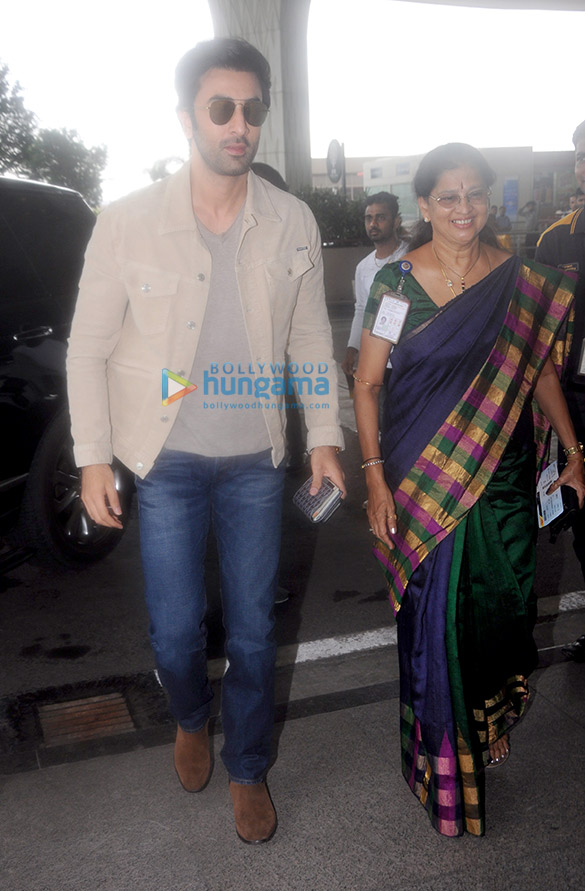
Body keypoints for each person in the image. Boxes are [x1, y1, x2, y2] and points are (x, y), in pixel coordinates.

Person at [66, 37, 345, 845]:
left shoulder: (288, 217)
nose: (239, 125)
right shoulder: (127, 222)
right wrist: (91, 456)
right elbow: (87, 347)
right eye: (221, 108)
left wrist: (323, 436)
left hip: (257, 457)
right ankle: (190, 714)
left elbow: (306, 341)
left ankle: (249, 765)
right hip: (170, 459)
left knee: (255, 629)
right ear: (186, 116)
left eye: (252, 109)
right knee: (176, 626)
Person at [353, 142, 585, 837]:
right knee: (436, 619)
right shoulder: (395, 286)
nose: (464, 207)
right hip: (423, 478)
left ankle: (482, 714)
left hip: (504, 476)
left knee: (501, 608)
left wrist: (574, 452)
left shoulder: (522, 282)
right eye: (447, 196)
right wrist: (372, 479)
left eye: (474, 193)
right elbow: (366, 382)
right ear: (423, 206)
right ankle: (444, 760)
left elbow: (539, 373)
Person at [536, 119, 585, 664]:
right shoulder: (557, 239)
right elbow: (538, 336)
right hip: (574, 402)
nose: (583, 165)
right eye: (579, 155)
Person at [341, 192, 408, 378]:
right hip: (377, 361)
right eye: (368, 218)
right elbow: (362, 310)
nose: (373, 224)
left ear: (396, 221)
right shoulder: (363, 267)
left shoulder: (412, 256)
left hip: (411, 359)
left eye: (380, 217)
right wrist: (352, 349)